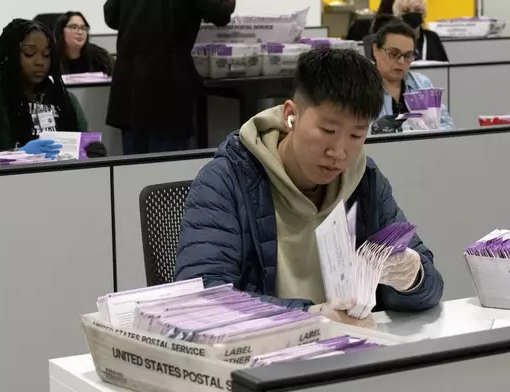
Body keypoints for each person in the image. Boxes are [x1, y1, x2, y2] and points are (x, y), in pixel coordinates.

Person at [174, 48, 444, 328]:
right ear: (292, 115)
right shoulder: (228, 180)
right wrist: (310, 317)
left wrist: (413, 277)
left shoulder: (365, 180)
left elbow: (430, 288)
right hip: (258, 357)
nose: (339, 152)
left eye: (356, 135)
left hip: (349, 353)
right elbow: (205, 298)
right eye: (328, 131)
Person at [103, 0, 235, 155]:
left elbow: (110, 16)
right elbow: (220, 13)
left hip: (129, 89)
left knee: (134, 168)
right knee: (165, 169)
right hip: (166, 89)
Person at [0, 19, 105, 157]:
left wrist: (91, 151)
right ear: (9, 56)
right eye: (29, 53)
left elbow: (82, 145)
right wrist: (19, 154)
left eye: (46, 55)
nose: (40, 62)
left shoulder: (65, 100)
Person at [371, 19, 455, 131]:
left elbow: (448, 125)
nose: (401, 61)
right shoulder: (359, 87)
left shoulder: (422, 84)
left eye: (407, 55)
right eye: (393, 53)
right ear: (376, 50)